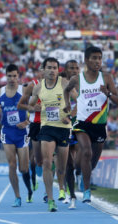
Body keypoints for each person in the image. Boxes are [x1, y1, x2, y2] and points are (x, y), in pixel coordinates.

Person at [63, 46, 118, 203]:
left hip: (99, 125)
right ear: (86, 60)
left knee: (93, 160)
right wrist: (67, 105)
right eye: (94, 58)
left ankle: (81, 174)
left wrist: (107, 93)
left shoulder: (106, 78)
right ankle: (86, 190)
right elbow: (67, 90)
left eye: (99, 58)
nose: (97, 61)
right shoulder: (77, 79)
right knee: (86, 151)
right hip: (82, 123)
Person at [28, 57, 76, 212]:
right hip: (46, 127)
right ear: (43, 69)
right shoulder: (38, 87)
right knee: (47, 163)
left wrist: (70, 116)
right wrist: (33, 108)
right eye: (49, 67)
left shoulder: (64, 83)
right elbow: (29, 105)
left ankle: (62, 187)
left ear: (58, 70)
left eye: (55, 68)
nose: (52, 70)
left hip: (63, 128)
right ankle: (50, 199)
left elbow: (80, 100)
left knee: (61, 168)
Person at [0, 64, 32, 207]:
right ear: (5, 76)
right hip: (7, 131)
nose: (12, 79)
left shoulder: (25, 90)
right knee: (12, 165)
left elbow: (34, 109)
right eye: (9, 76)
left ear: (18, 76)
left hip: (22, 133)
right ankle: (17, 196)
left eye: (15, 76)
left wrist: (27, 122)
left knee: (23, 168)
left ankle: (29, 187)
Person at [60, 60, 80, 209]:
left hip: (75, 125)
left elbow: (80, 101)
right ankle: (70, 194)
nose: (74, 70)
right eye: (71, 68)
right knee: (67, 164)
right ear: (65, 70)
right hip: (59, 126)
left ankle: (77, 180)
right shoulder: (61, 82)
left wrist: (71, 116)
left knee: (77, 161)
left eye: (76, 68)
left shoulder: (79, 83)